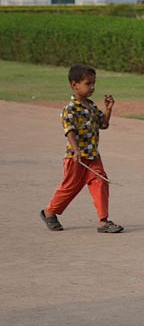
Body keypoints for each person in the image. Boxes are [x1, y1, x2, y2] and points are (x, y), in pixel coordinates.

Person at [40, 65, 124, 234]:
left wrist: (108, 109)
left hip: (93, 156)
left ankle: (103, 221)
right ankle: (49, 212)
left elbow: (104, 124)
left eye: (94, 83)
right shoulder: (70, 109)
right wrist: (76, 150)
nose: (92, 87)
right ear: (74, 84)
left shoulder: (92, 106)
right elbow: (69, 130)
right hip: (76, 157)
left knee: (100, 182)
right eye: (88, 84)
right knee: (70, 187)